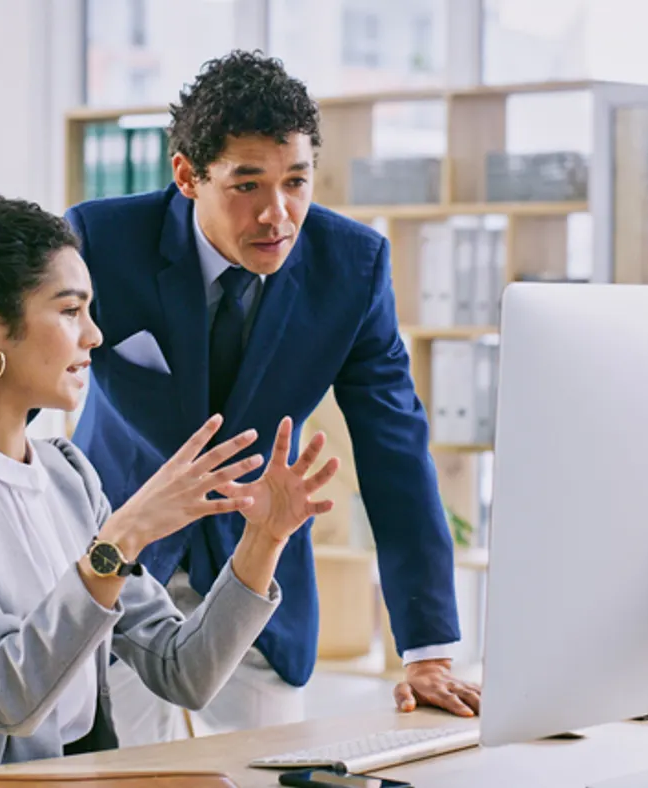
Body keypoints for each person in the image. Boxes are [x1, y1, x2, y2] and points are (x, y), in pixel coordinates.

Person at [0, 196, 340, 782]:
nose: (95, 335)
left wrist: (263, 541)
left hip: (75, 773)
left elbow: (184, 671)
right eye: (70, 310)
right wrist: (121, 540)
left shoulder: (67, 474)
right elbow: (5, 694)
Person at [65, 49, 481, 742]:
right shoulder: (103, 242)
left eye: (296, 181)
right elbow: (13, 395)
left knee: (268, 771)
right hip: (124, 567)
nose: (277, 214)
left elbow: (396, 450)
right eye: (247, 184)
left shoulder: (352, 267)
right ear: (188, 176)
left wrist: (428, 650)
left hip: (257, 573)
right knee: (129, 776)